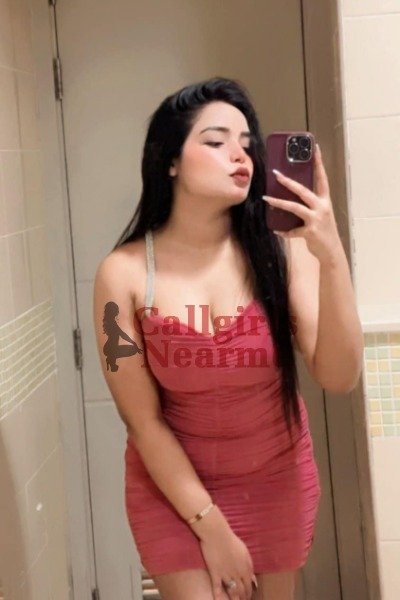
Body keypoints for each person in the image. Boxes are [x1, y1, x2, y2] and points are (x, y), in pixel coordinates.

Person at [93, 77, 364, 600]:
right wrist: (211, 528)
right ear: (171, 160)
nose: (240, 155)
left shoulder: (284, 252)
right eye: (216, 142)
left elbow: (339, 376)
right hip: (173, 491)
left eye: (246, 143)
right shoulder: (122, 274)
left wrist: (330, 254)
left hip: (277, 481)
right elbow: (143, 422)